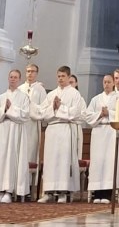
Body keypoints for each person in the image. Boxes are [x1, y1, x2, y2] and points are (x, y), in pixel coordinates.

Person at [37, 66, 87, 203]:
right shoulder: (51, 94)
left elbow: (75, 113)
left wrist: (60, 108)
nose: (60, 78)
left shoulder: (74, 94)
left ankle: (63, 192)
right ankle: (49, 191)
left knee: (63, 161)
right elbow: (42, 112)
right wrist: (52, 107)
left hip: (66, 129)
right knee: (51, 161)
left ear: (69, 77)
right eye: (58, 76)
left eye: (63, 76)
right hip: (52, 129)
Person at [0, 69, 31, 203]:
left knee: (12, 159)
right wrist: (4, 109)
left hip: (15, 131)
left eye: (15, 77)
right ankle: (0, 190)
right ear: (8, 78)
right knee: (0, 159)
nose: (13, 79)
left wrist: (11, 109)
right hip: (2, 130)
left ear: (19, 79)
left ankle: (9, 191)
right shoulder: (1, 97)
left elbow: (25, 115)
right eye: (11, 77)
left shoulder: (23, 97)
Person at [86, 75, 119, 204]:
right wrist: (100, 114)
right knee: (98, 162)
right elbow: (88, 115)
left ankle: (107, 193)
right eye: (104, 82)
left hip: (111, 131)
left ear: (114, 83)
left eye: (109, 82)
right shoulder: (96, 99)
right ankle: (97, 193)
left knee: (109, 162)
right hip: (98, 131)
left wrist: (110, 113)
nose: (106, 84)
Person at [20, 62, 47, 189]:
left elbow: (44, 108)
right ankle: (18, 184)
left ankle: (29, 186)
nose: (30, 74)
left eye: (32, 71)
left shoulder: (40, 90)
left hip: (33, 126)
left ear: (37, 73)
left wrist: (30, 105)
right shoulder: (20, 89)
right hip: (21, 125)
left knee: (31, 152)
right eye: (28, 71)